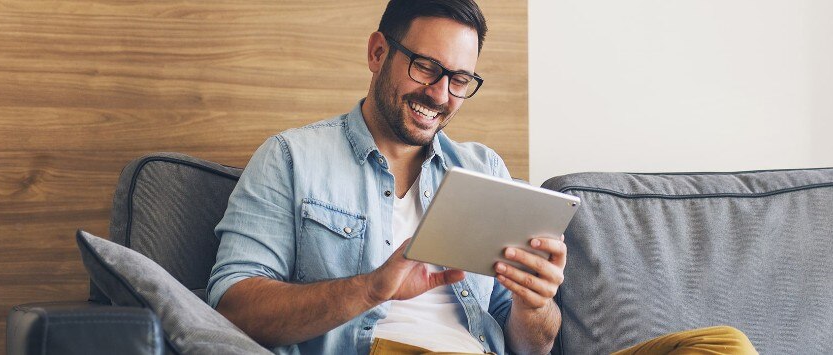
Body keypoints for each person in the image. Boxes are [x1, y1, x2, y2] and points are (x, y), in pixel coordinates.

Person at [207, 1, 757, 354]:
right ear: (378, 53)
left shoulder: (482, 170)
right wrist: (372, 288)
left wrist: (533, 303)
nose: (440, 95)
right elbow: (233, 307)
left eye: (461, 79)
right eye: (425, 68)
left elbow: (530, 344)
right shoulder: (292, 158)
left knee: (721, 347)